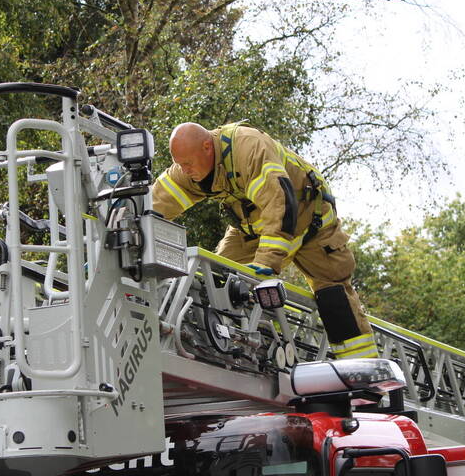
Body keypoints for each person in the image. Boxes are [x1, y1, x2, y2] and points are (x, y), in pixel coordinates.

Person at [152, 122, 377, 359]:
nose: (184, 170)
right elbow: (156, 201)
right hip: (253, 226)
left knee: (333, 294)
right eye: (180, 164)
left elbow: (279, 203)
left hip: (310, 220)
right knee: (218, 277)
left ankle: (362, 368)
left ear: (208, 147)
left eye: (187, 164)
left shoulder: (248, 147)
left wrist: (266, 262)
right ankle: (229, 347)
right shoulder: (189, 165)